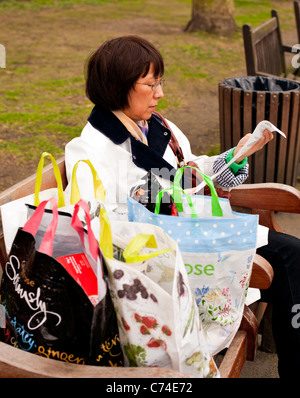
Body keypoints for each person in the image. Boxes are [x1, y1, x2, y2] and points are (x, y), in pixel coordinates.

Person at [65, 35, 300, 378]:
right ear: (117, 87)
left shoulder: (159, 127)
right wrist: (152, 200)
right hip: (167, 257)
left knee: (291, 256)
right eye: (151, 83)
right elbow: (91, 225)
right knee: (290, 257)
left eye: (160, 81)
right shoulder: (91, 150)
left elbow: (190, 172)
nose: (160, 93)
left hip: (196, 234)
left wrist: (234, 158)